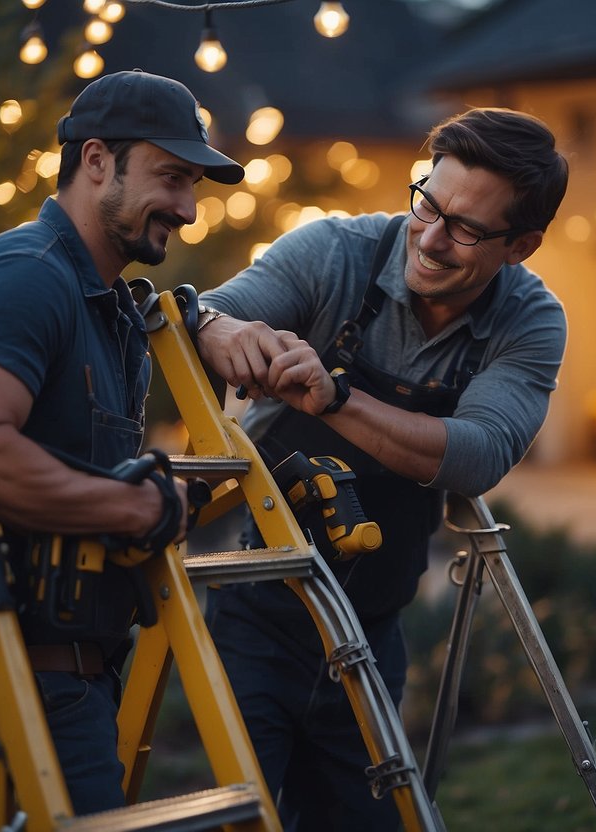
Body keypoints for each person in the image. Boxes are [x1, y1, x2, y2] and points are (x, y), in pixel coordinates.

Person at [192, 107, 569, 829]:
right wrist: (220, 327)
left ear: (520, 245)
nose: (427, 237)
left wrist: (336, 398)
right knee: (241, 820)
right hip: (257, 614)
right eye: (426, 201)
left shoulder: (529, 320)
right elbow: (206, 316)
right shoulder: (333, 251)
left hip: (372, 630)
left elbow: (478, 454)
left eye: (464, 228)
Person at [0, 70, 244, 830]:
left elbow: (67, 466)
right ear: (94, 161)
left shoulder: (110, 306)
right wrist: (133, 505)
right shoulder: (26, 278)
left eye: (194, 186)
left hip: (68, 669)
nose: (187, 209)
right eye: (172, 178)